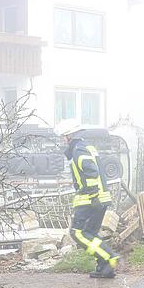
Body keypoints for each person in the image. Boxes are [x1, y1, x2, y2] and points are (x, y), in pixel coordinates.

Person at [56, 119, 119, 279]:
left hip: (90, 198)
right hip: (99, 197)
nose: (63, 140)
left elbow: (91, 171)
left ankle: (108, 257)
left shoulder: (78, 149)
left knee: (78, 232)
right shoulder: (86, 147)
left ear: (69, 136)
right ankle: (104, 266)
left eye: (64, 137)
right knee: (90, 232)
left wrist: (92, 194)